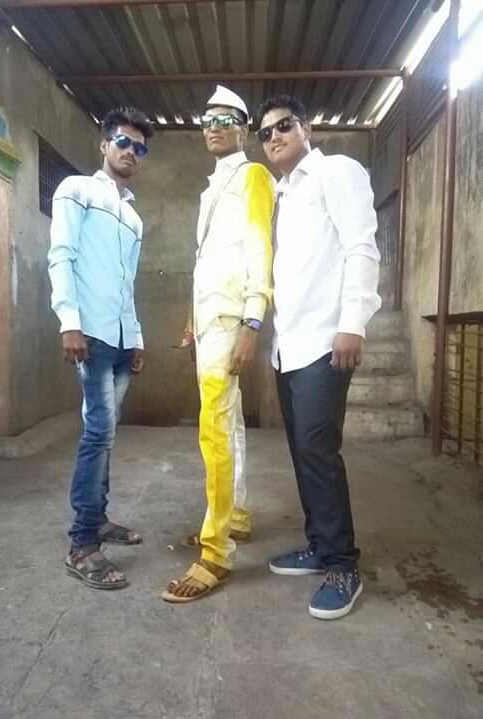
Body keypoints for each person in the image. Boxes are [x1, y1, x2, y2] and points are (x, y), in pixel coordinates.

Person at [256, 94, 381, 619]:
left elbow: (361, 247)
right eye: (265, 132)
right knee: (303, 452)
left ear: (305, 127)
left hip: (326, 341)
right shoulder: (284, 193)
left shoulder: (337, 172)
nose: (275, 137)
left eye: (284, 125)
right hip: (290, 345)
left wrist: (353, 323)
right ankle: (319, 545)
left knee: (318, 452)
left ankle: (343, 565)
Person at [162, 86, 275, 603]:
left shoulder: (253, 176)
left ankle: (216, 552)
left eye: (225, 120)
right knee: (229, 426)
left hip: (232, 319)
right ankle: (236, 519)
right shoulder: (213, 188)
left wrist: (253, 323)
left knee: (215, 432)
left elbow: (259, 250)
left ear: (244, 129)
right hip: (210, 321)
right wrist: (193, 320)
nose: (213, 127)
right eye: (207, 120)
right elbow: (208, 261)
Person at [48, 106, 153, 590]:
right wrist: (70, 323)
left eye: (140, 148)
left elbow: (127, 282)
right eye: (123, 142)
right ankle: (82, 544)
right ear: (105, 145)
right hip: (88, 334)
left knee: (106, 434)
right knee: (97, 434)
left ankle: (99, 518)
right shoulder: (77, 190)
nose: (131, 152)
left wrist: (137, 337)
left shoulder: (133, 217)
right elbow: (61, 256)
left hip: (121, 339)